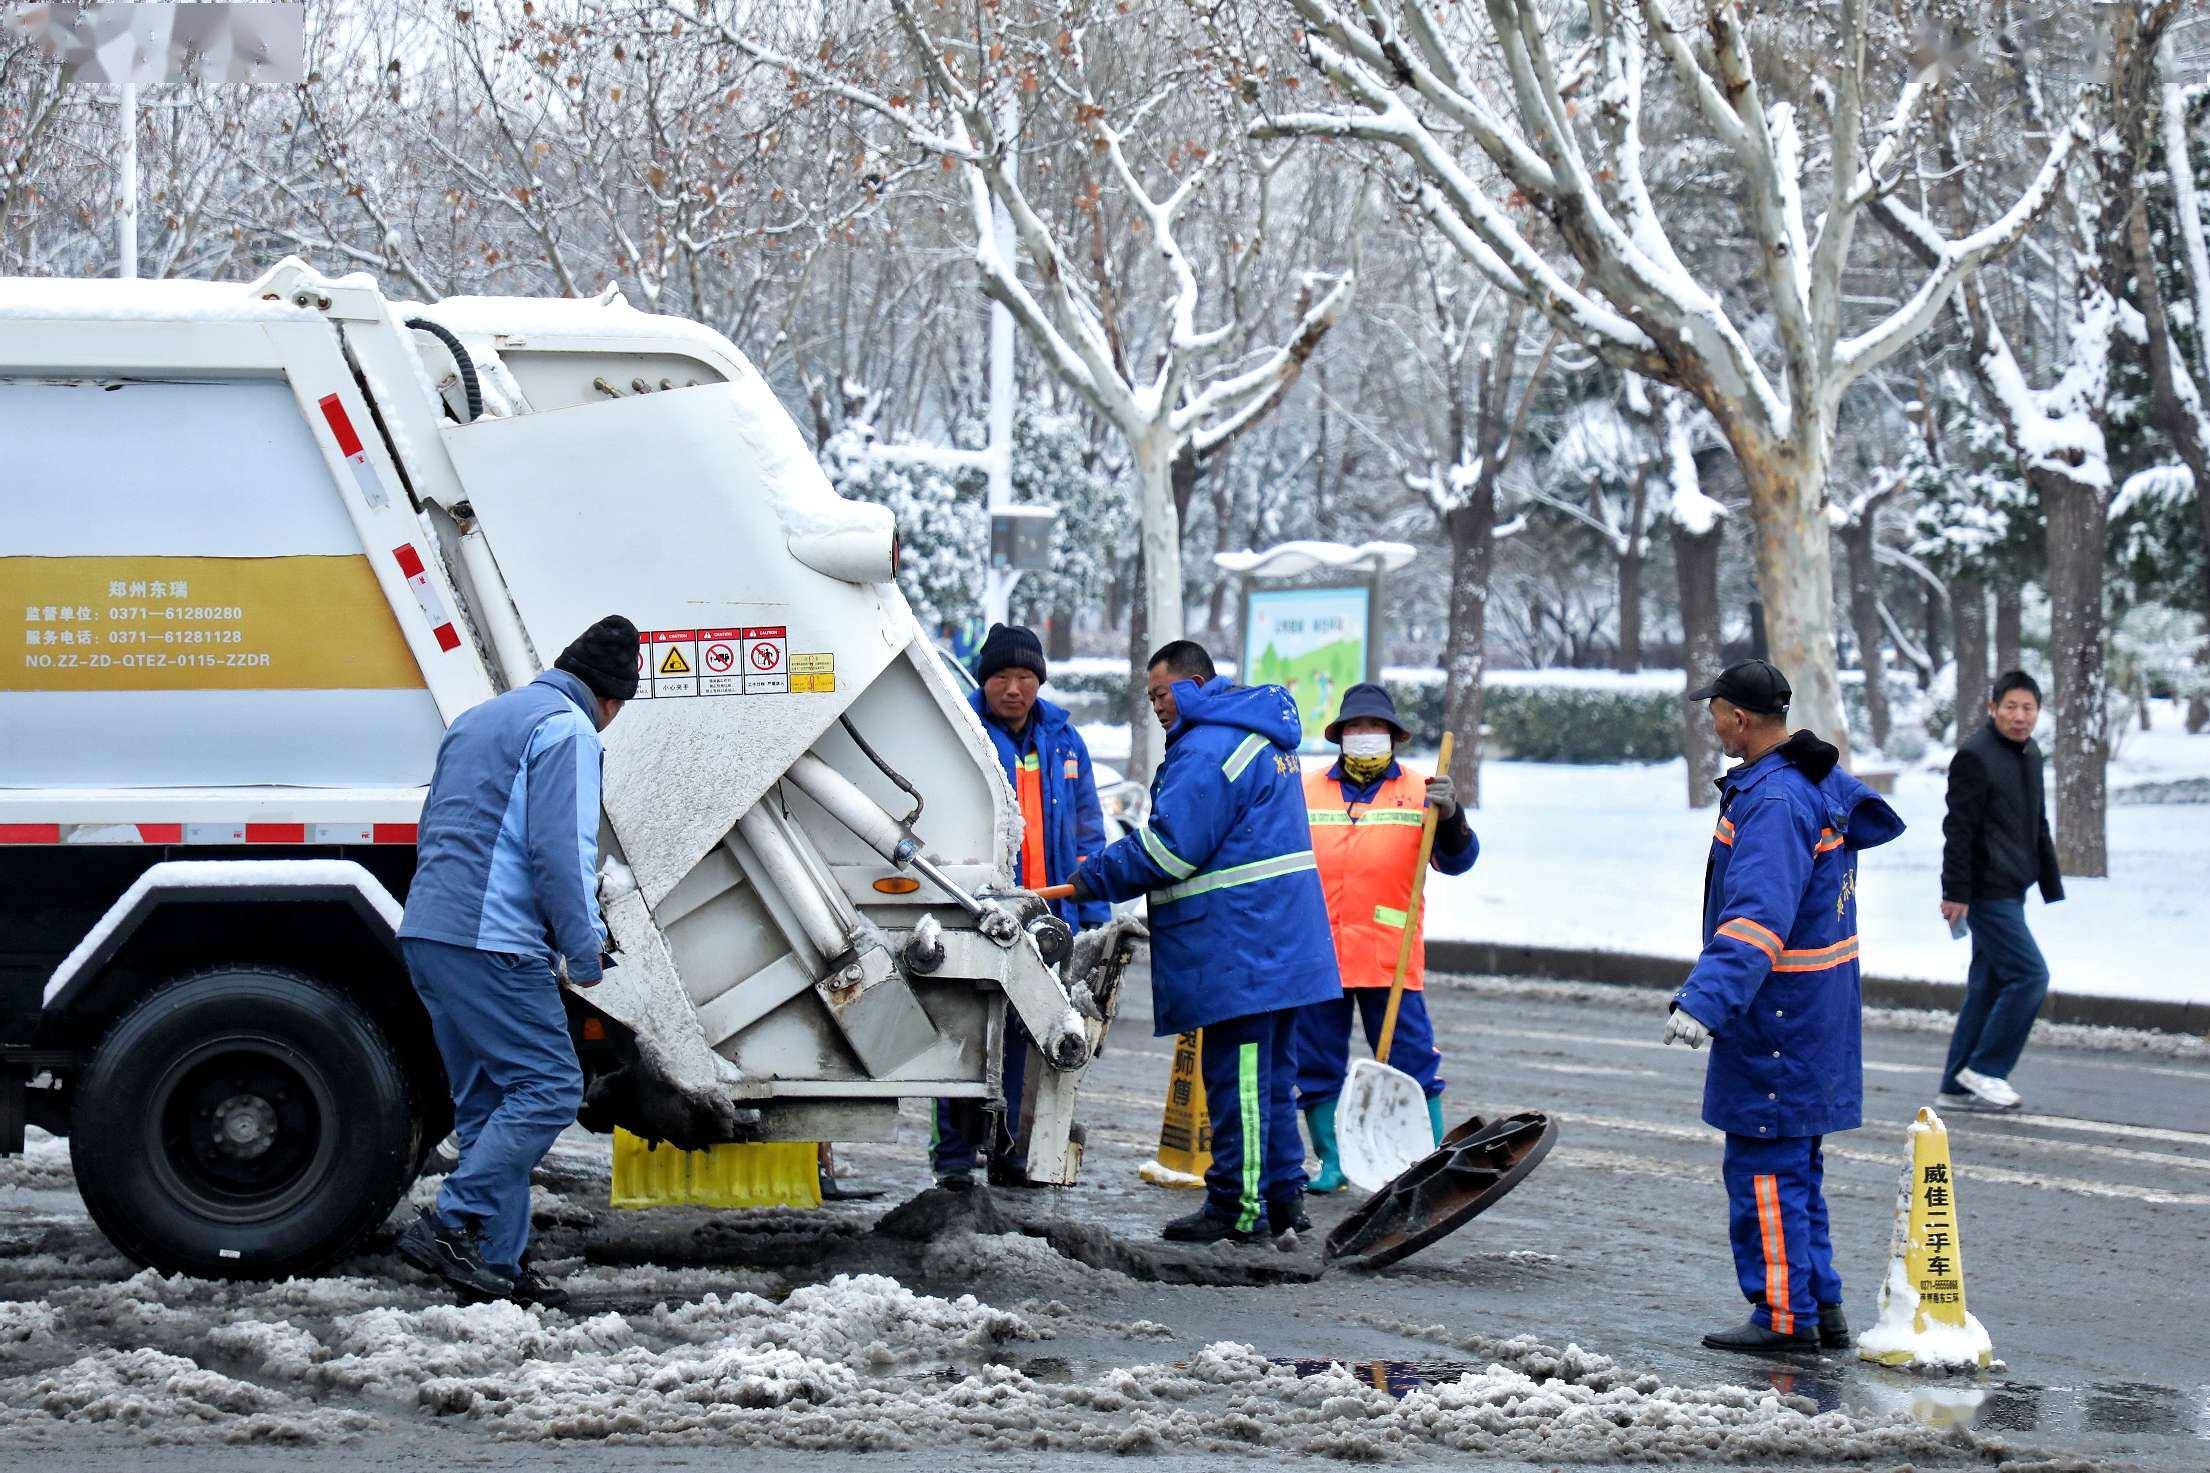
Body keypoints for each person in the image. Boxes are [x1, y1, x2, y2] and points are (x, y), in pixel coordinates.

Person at [394, 615, 638, 1306]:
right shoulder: (568, 731)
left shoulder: (477, 721)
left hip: (429, 930)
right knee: (550, 1087)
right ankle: (448, 1222)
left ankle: (496, 1266)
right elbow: (559, 852)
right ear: (612, 699)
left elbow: (435, 824)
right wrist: (584, 948)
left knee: (488, 1103)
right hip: (491, 940)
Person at [1663, 659, 1903, 1354]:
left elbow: (1757, 921)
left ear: (1739, 717)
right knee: (1796, 1170)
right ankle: (1820, 1302)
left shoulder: (1772, 800)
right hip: (1811, 1012)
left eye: (1715, 711)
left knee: (1764, 1169)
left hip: (1778, 1018)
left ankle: (1783, 1314)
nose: (1712, 722)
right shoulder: (1806, 781)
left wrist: (1704, 1001)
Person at [1071, 640, 1341, 1244]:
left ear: (1194, 685)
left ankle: (1238, 1208)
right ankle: (1281, 1198)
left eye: (1162, 694)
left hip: (1242, 946)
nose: (1157, 707)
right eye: (1150, 698)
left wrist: (1096, 874)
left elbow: (1171, 849)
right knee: (1271, 1075)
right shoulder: (1253, 738)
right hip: (1279, 944)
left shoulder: (1206, 749)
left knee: (1239, 1077)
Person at [933, 623, 1111, 1187]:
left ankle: (1010, 1149)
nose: (1014, 688)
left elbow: (1088, 830)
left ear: (1040, 681)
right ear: (985, 681)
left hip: (1049, 917)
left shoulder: (1063, 738)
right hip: (982, 914)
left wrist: (1093, 909)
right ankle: (956, 1158)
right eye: (1003, 676)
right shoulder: (960, 731)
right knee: (966, 1038)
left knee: (1031, 1037)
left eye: (1026, 677)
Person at [1294, 682, 1478, 1192]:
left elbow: (1458, 861)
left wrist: (1454, 817)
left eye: (1375, 728)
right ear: (1340, 736)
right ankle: (1332, 1163)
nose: (1365, 736)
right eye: (1356, 728)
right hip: (1320, 952)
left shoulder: (1423, 790)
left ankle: (1425, 1160)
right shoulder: (1306, 790)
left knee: (1413, 1058)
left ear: (1393, 737)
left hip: (1388, 956)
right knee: (1315, 1062)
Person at [1937, 671, 2063, 1113]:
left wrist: (2048, 881)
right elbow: (1958, 830)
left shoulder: (2030, 754)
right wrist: (1955, 892)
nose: (2019, 715)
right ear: (1993, 708)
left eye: (2028, 708)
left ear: (2038, 712)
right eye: (2010, 706)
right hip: (1985, 890)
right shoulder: (1975, 755)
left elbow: (2037, 822)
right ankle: (1988, 1068)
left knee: (1987, 985)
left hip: (2013, 887)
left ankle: (1955, 1085)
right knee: (2031, 976)